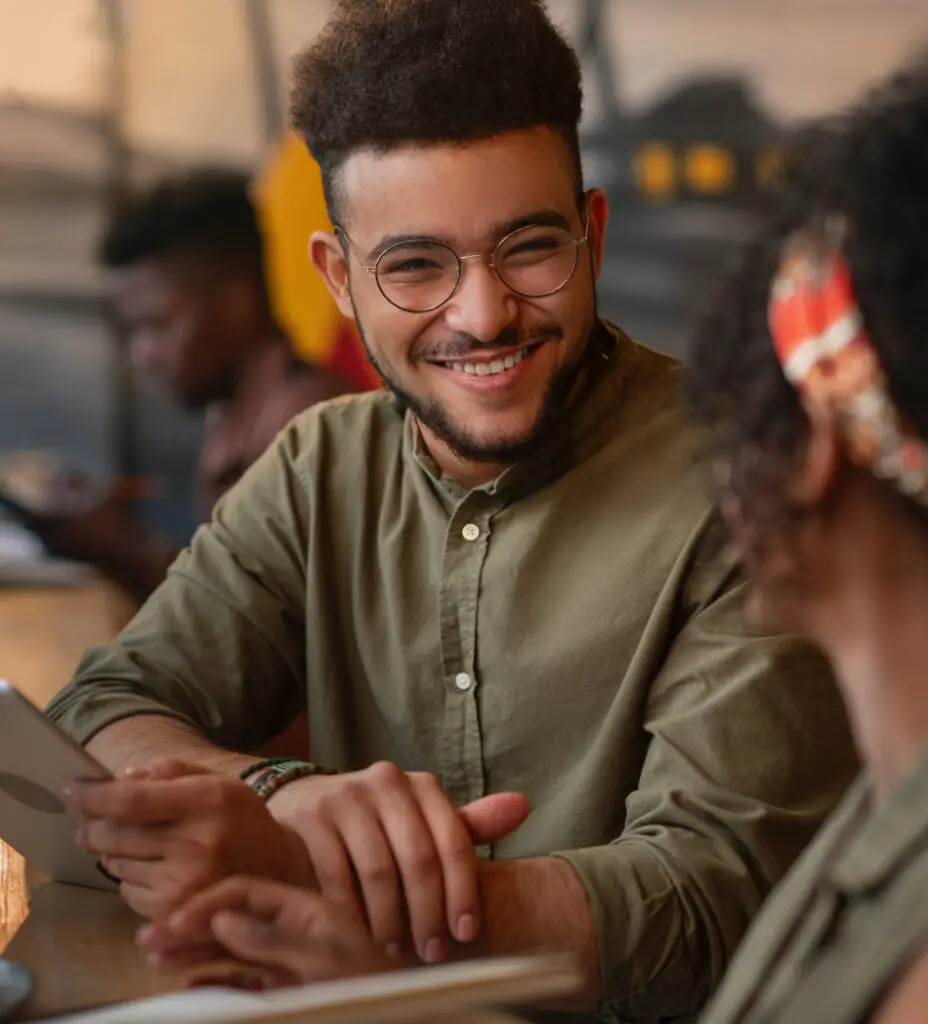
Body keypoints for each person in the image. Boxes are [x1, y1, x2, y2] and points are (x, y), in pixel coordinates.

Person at [48, 1, 858, 1019]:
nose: (482, 315)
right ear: (340, 279)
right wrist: (277, 795)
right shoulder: (316, 462)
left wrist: (315, 872)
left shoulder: (750, 474)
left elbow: (713, 896)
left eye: (527, 249)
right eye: (416, 265)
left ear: (591, 234)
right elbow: (100, 706)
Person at [22, 169, 355, 602]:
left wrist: (128, 550)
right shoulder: (235, 413)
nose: (143, 354)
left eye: (158, 324)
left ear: (235, 303)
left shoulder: (308, 427)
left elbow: (270, 635)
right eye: (131, 332)